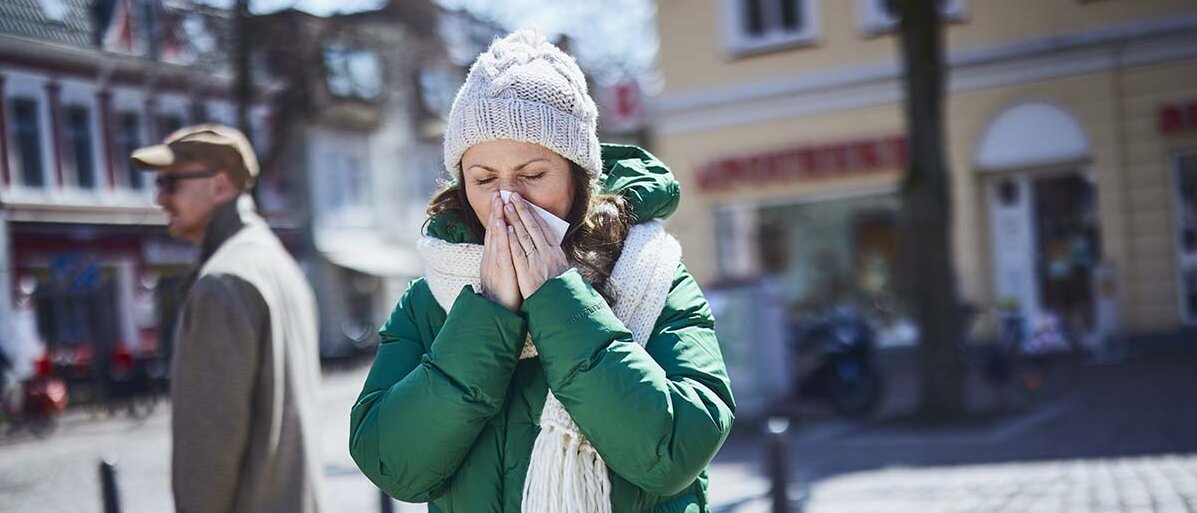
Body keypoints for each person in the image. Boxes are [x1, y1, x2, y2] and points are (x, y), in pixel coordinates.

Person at [349, 30, 736, 513]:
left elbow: (675, 454)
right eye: (484, 179)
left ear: (579, 178)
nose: (507, 200)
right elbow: (393, 466)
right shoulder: (430, 299)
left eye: (533, 175)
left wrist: (558, 299)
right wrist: (487, 315)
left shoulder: (654, 274)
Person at [131, 124, 324, 513]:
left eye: (170, 183)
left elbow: (210, 444)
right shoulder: (278, 264)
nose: (159, 197)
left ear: (219, 186)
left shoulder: (221, 281)